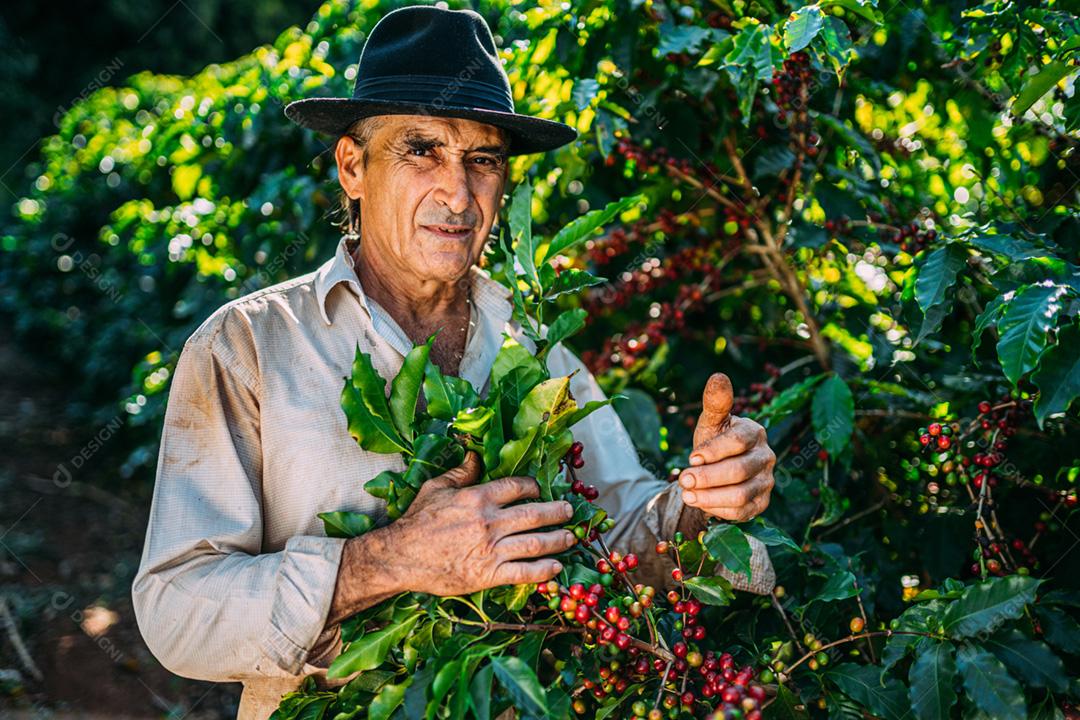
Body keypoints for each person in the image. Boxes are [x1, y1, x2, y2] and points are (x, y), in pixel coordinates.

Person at [132, 6, 777, 718]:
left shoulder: (531, 344)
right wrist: (388, 560)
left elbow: (618, 534)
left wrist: (702, 500)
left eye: (483, 160)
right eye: (422, 151)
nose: (458, 193)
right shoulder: (248, 347)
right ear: (353, 165)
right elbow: (176, 611)